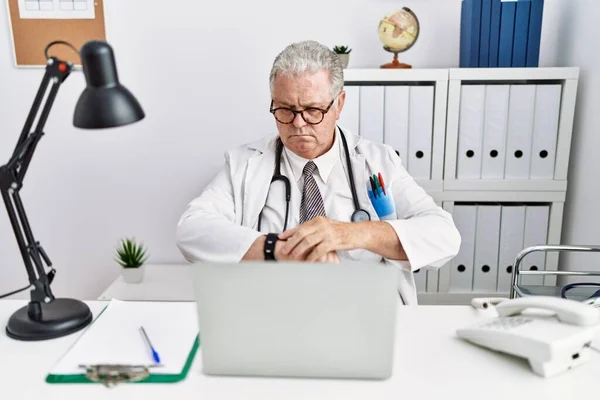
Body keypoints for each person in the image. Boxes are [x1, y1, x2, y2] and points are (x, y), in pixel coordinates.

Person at [176, 40, 461, 305]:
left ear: (339, 104)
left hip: (362, 317)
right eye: (285, 110)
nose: (298, 124)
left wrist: (349, 234)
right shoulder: (245, 163)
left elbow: (444, 235)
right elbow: (192, 229)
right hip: (273, 317)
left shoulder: (377, 161)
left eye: (312, 110)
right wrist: (279, 249)